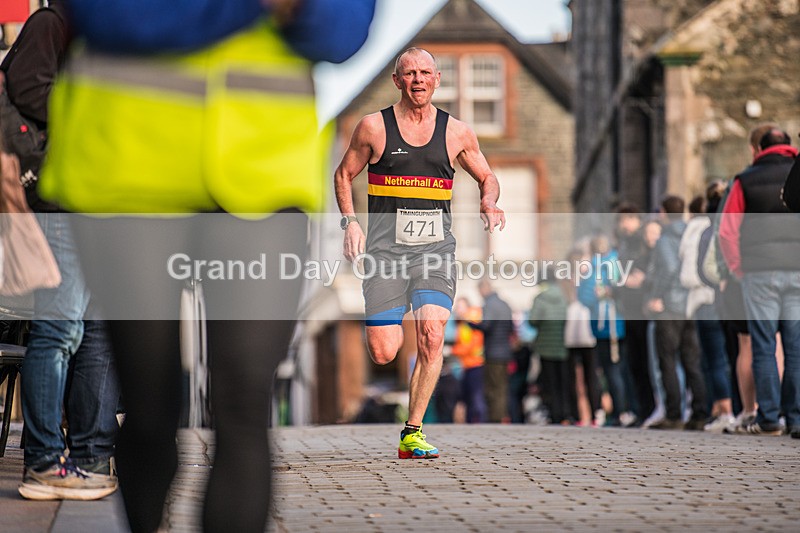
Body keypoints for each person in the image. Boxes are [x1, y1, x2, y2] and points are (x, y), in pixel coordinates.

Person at [39, 1, 375, 531]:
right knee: (149, 406)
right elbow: (113, 16)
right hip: (128, 167)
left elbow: (338, 32)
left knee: (245, 402)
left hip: (264, 179)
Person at [334, 47, 505, 457]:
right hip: (385, 254)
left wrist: (489, 200)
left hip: (434, 252)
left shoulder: (456, 132)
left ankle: (412, 432)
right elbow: (343, 174)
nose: (417, 80)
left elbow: (487, 176)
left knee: (431, 337)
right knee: (384, 351)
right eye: (409, 73)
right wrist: (350, 223)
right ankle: (388, 312)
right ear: (397, 81)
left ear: (437, 79)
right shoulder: (373, 127)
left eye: (425, 73)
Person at [2, 0, 120, 501]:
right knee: (59, 329)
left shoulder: (101, 37)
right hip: (57, 200)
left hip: (94, 202)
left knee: (93, 333)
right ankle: (45, 461)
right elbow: (27, 87)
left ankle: (90, 457)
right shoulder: (54, 22)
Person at [719, 127, 800, 437]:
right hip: (797, 270)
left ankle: (767, 418)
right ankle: (795, 417)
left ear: (758, 150)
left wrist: (738, 269)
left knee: (763, 346)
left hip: (759, 273)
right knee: (795, 348)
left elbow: (727, 230)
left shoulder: (744, 179)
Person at [646, 195, 708, 430]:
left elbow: (670, 268)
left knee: (668, 360)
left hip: (670, 305)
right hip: (692, 303)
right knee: (692, 360)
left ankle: (674, 414)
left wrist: (656, 295)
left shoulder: (664, 239)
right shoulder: (691, 233)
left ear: (663, 213)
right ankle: (700, 412)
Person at [529, 278, 571, 424]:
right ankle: (565, 413)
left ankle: (552, 413)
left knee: (549, 383)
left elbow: (533, 320)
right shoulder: (564, 295)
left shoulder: (540, 298)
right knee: (563, 382)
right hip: (562, 345)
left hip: (545, 346)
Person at [450, 297, 487, 423]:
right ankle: (472, 425)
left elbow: (469, 346)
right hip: (469, 364)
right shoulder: (466, 321)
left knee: (476, 399)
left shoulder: (468, 322)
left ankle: (478, 425)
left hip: (475, 364)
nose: (456, 310)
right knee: (470, 399)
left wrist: (452, 350)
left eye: (459, 307)